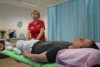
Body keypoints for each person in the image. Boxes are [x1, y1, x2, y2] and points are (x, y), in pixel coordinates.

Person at [5, 38, 99, 63]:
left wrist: (26, 55)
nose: (81, 38)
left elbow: (36, 58)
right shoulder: (69, 44)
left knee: (19, 42)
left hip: (31, 46)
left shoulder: (60, 51)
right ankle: (12, 46)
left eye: (82, 41)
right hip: (39, 42)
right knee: (21, 42)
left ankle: (10, 45)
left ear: (81, 50)